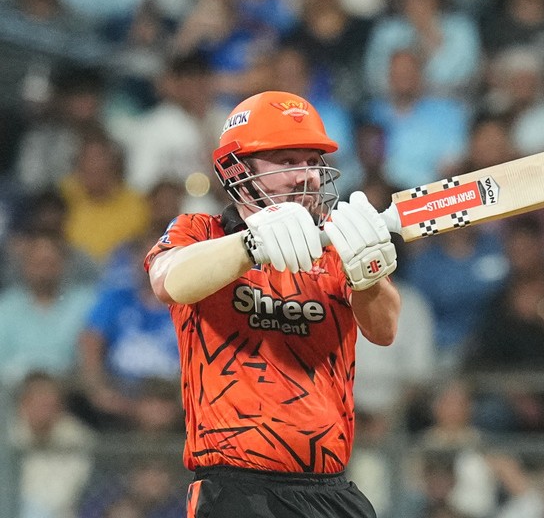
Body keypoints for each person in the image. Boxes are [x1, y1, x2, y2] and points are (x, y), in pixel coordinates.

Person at [145, 90, 401, 518]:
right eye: (287, 163)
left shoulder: (337, 245)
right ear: (236, 168)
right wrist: (251, 244)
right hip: (236, 491)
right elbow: (167, 279)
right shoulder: (200, 231)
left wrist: (370, 275)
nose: (307, 177)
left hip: (332, 490)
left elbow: (385, 330)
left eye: (312, 162)